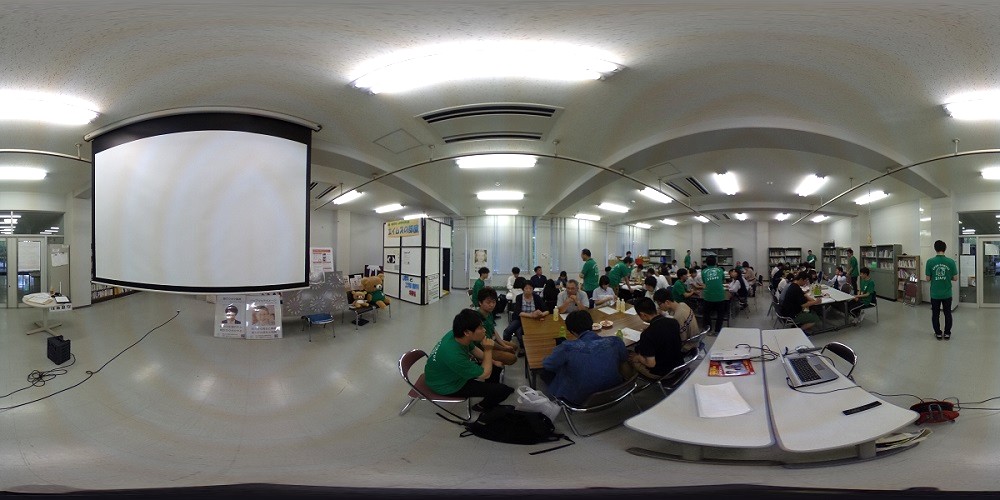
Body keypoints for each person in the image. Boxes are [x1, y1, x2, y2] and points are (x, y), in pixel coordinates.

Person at [424, 309, 514, 412]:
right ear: (467, 332)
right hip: (447, 385)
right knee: (503, 391)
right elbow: (485, 374)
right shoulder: (454, 356)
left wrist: (493, 362)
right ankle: (482, 406)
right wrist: (488, 350)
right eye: (480, 328)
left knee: (496, 368)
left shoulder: (456, 335)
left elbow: (474, 349)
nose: (484, 330)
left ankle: (492, 390)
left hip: (450, 373)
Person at [540, 310, 627, 405]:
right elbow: (624, 359)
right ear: (591, 324)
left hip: (581, 399)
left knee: (545, 373)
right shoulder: (615, 341)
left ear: (572, 331)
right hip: (615, 391)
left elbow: (548, 364)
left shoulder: (567, 347)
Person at [625, 298, 684, 380]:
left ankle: (629, 382)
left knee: (628, 357)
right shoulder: (673, 322)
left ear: (643, 315)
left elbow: (651, 364)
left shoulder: (647, 334)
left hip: (664, 373)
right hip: (679, 365)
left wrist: (637, 357)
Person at [475, 287, 518, 366]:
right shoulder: (477, 318)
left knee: (514, 347)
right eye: (488, 302)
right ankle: (492, 366)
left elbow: (493, 330)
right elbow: (487, 342)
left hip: (491, 341)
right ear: (480, 302)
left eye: (494, 302)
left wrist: (504, 345)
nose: (492, 305)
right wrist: (504, 348)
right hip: (482, 348)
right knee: (512, 358)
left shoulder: (489, 313)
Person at [502, 280, 548, 353]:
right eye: (526, 288)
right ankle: (506, 347)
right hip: (519, 319)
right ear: (523, 289)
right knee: (507, 332)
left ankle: (523, 348)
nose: (528, 290)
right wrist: (531, 315)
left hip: (533, 320)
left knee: (519, 333)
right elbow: (518, 312)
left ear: (533, 289)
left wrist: (541, 314)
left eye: (530, 288)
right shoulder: (519, 297)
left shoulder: (537, 297)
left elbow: (547, 310)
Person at [925, 239, 958, 340]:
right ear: (945, 249)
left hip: (935, 294)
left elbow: (927, 279)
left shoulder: (930, 262)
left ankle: (938, 333)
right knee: (947, 313)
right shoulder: (951, 262)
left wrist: (935, 277)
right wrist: (947, 277)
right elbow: (955, 278)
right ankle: (947, 333)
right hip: (947, 294)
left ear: (935, 249)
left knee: (935, 314)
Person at [653, 288, 701, 354]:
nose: (659, 307)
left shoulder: (678, 317)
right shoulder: (682, 304)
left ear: (667, 302)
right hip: (695, 338)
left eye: (659, 304)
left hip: (689, 346)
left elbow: (680, 340)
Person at [700, 254, 728, 335]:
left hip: (708, 296)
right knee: (720, 314)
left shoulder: (703, 271)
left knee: (706, 313)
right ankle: (717, 331)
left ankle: (708, 330)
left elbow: (705, 282)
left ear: (706, 263)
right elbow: (723, 281)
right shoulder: (720, 270)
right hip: (720, 296)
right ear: (715, 262)